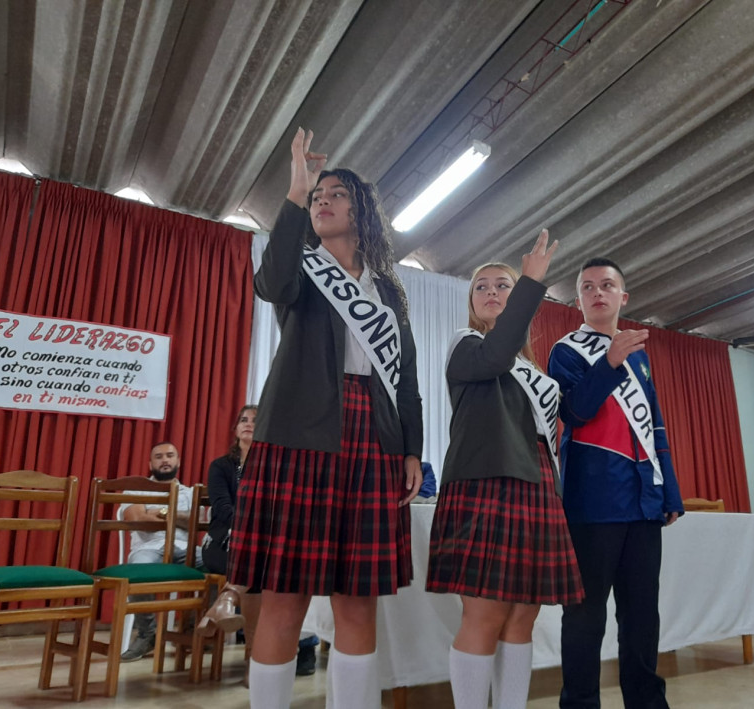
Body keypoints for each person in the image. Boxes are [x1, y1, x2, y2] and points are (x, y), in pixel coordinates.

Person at [227, 128, 423, 709]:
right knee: (284, 595)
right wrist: (295, 189)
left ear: (362, 211)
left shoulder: (388, 290)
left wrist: (412, 448)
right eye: (318, 197)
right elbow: (270, 283)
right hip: (299, 432)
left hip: (374, 437)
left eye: (336, 194)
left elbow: (406, 376)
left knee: (358, 599)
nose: (323, 201)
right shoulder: (301, 266)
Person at [427, 231, 585, 709]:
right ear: (472, 303)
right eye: (482, 287)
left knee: (522, 617)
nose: (491, 292)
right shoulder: (467, 345)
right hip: (487, 481)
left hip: (538, 483)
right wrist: (531, 283)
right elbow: (497, 356)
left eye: (503, 286)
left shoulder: (534, 371)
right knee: (485, 615)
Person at [549, 257, 684, 709]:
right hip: (593, 503)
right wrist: (609, 362)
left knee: (642, 617)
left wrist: (669, 492)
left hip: (643, 503)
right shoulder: (566, 351)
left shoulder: (638, 355)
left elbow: (655, 426)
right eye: (587, 287)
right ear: (578, 301)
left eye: (606, 285)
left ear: (623, 297)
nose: (597, 293)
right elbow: (574, 412)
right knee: (585, 617)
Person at [198, 405, 318, 680]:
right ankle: (254, 658)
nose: (248, 424)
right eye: (243, 419)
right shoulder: (221, 466)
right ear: (235, 429)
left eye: (255, 420)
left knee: (269, 565)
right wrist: (254, 529)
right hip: (222, 543)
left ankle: (226, 602)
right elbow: (222, 508)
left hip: (261, 545)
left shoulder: (276, 467)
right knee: (254, 567)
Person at [119, 442, 201, 662]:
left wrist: (161, 512)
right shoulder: (135, 489)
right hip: (148, 549)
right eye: (159, 457)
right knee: (137, 570)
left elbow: (198, 522)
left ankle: (194, 629)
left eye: (170, 455)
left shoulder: (190, 493)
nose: (165, 460)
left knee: (218, 562)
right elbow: (138, 520)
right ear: (150, 464)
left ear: (178, 461)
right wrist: (178, 517)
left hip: (184, 549)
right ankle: (148, 634)